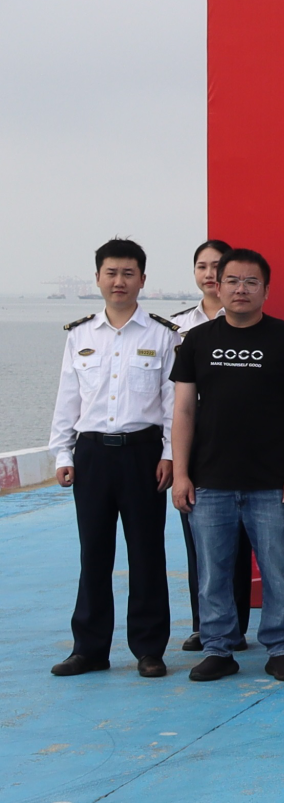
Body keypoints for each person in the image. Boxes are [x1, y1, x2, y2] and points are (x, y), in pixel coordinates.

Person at [169, 248, 284, 682]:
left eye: (251, 282)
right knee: (212, 572)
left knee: (279, 570)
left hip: (271, 481)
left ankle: (281, 648)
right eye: (232, 280)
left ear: (266, 290)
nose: (241, 289)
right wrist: (180, 473)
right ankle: (218, 647)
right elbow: (183, 411)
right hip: (209, 479)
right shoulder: (197, 341)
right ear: (218, 286)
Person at [48, 239, 179, 678]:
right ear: (98, 278)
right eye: (111, 273)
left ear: (142, 279)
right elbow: (68, 399)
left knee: (146, 552)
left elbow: (171, 404)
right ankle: (89, 649)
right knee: (94, 553)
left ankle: (149, 649)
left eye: (128, 273)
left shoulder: (162, 334)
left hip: (143, 454)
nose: (119, 281)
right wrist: (62, 452)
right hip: (92, 455)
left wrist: (170, 454)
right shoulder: (80, 335)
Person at [171, 238, 250, 652]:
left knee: (240, 543)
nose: (209, 274)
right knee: (200, 543)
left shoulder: (248, 318)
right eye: (202, 266)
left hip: (239, 444)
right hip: (196, 446)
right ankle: (205, 624)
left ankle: (237, 625)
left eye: (217, 267)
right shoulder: (175, 327)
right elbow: (171, 399)